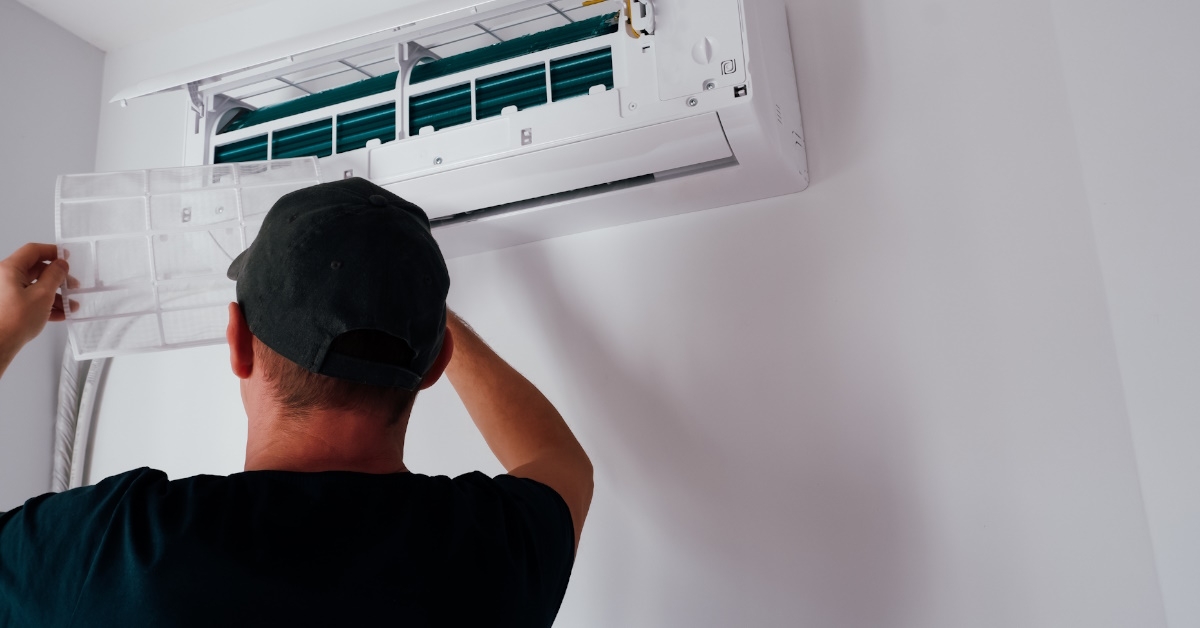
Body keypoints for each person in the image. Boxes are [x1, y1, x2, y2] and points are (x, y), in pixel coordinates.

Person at [0, 179, 593, 626]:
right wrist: (422, 318)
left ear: (237, 343)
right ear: (435, 365)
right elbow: (558, 461)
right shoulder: (491, 561)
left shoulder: (120, 550)